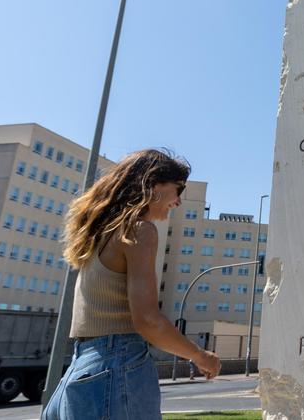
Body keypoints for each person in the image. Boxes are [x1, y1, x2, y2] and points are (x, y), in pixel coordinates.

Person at [43, 149, 221, 420]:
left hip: (80, 369)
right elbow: (148, 320)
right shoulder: (139, 231)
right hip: (118, 367)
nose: (178, 201)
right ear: (152, 184)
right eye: (178, 189)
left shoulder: (98, 234)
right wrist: (199, 356)